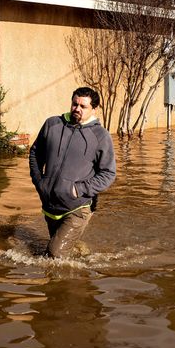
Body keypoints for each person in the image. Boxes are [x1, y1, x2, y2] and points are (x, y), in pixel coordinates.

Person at [29, 87, 116, 258]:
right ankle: (79, 256)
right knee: (58, 248)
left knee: (55, 253)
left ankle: (68, 283)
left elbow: (108, 173)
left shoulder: (100, 136)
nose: (77, 109)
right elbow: (35, 153)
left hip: (78, 206)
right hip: (50, 205)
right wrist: (39, 181)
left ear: (93, 109)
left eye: (83, 106)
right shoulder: (52, 124)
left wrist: (79, 190)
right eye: (75, 104)